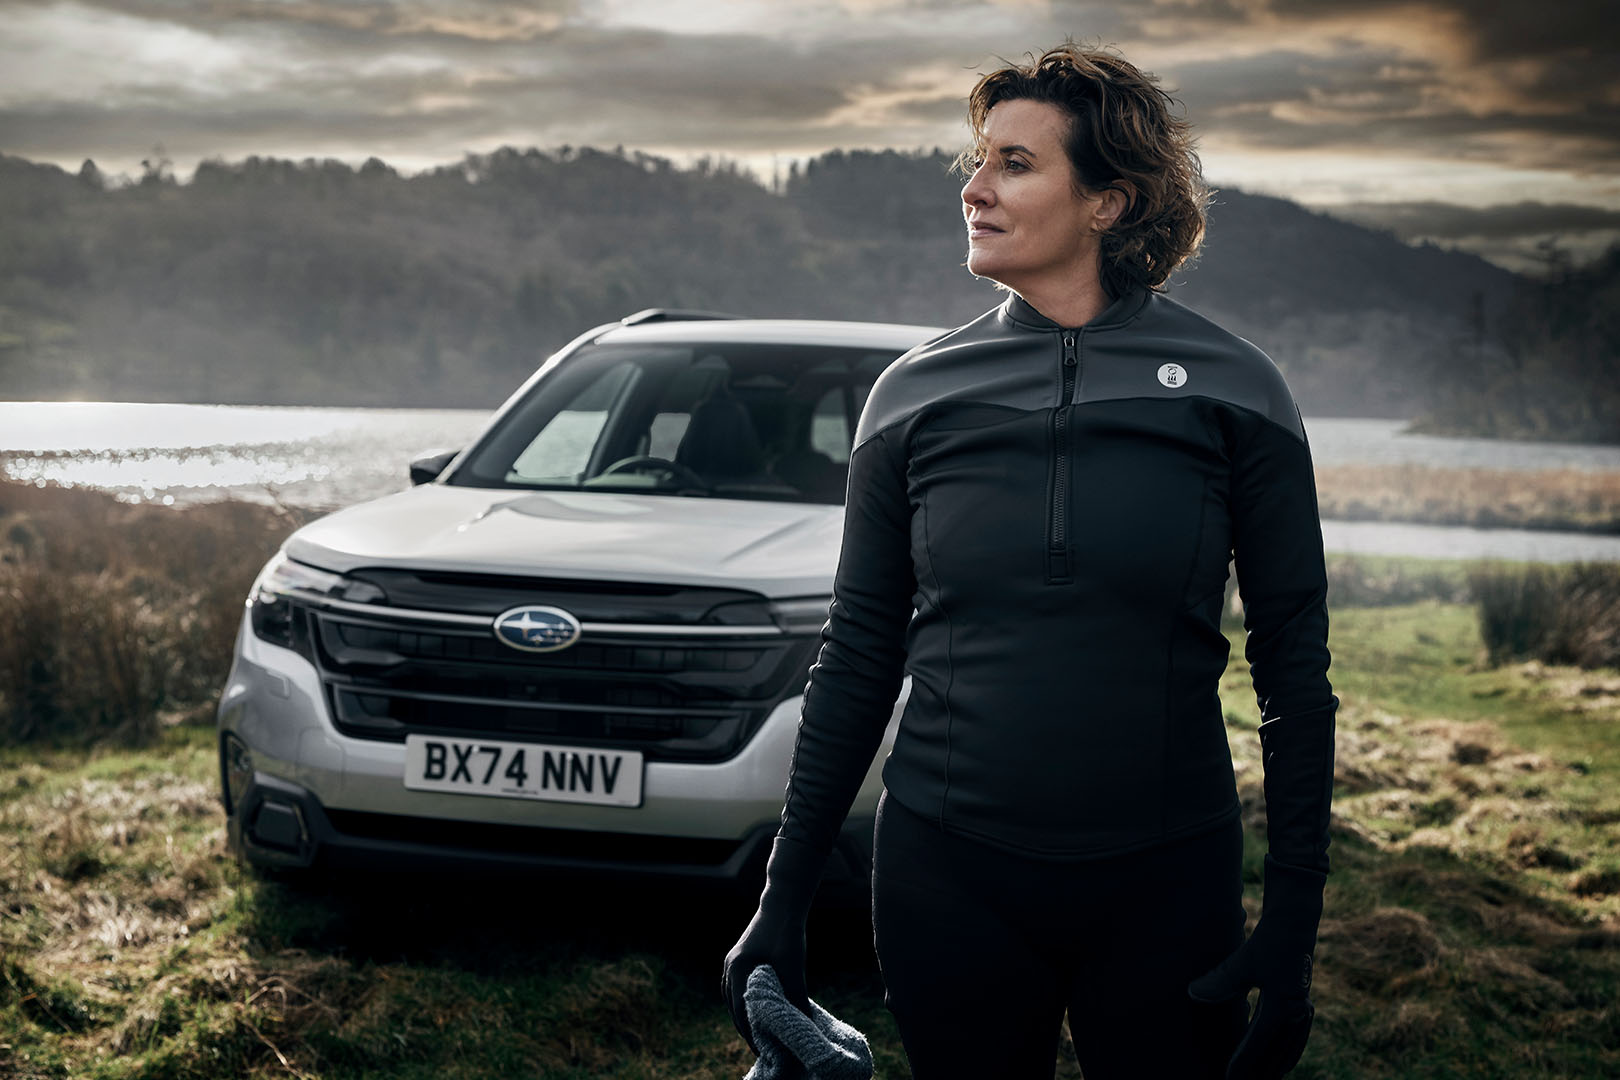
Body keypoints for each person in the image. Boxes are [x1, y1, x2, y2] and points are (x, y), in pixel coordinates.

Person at [724, 41, 1336, 1080]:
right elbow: (858, 657)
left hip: (1166, 879)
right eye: (979, 159)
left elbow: (1293, 668)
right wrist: (781, 901)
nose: (974, 189)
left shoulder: (1239, 391)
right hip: (947, 876)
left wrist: (1294, 920)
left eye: (1015, 163)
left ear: (1109, 202)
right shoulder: (912, 396)